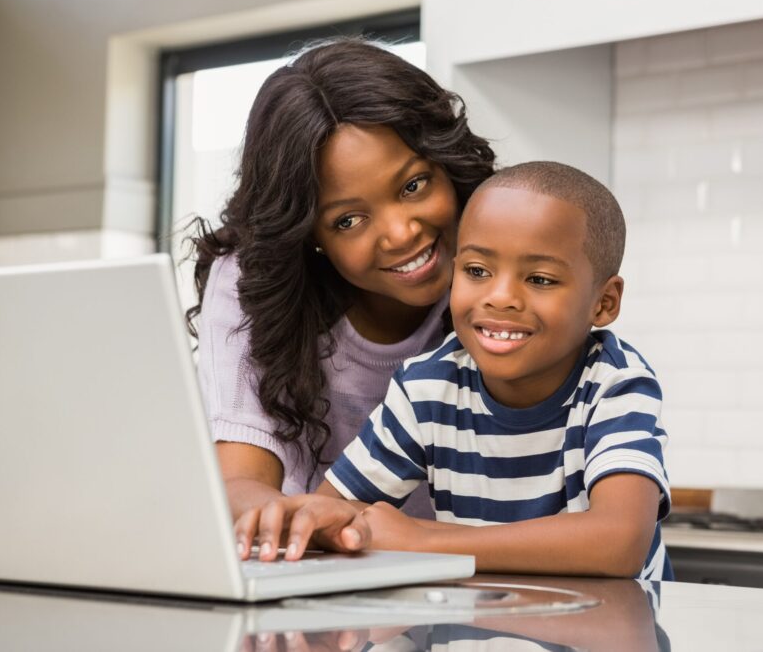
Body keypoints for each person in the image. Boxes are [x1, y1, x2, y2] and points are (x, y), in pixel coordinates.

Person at [239, 161, 671, 579]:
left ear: (604, 303)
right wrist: (324, 523)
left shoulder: (614, 385)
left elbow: (620, 541)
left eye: (539, 279)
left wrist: (425, 540)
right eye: (477, 271)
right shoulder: (427, 387)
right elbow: (336, 513)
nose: (500, 297)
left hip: (614, 621)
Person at [186, 37, 495, 542]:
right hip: (329, 569)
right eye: (348, 220)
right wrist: (292, 518)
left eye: (413, 185)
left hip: (478, 572)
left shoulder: (502, 263)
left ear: (448, 165)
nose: (401, 234)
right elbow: (239, 481)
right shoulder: (251, 282)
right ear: (310, 235)